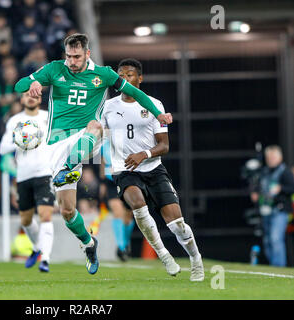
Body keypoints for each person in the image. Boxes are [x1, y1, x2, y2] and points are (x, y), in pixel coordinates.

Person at [14, 33, 173, 275]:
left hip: (87, 137)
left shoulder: (104, 74)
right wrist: (32, 82)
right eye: (68, 56)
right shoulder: (55, 69)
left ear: (87, 54)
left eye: (76, 57)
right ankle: (89, 243)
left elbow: (137, 93)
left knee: (96, 126)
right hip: (58, 144)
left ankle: (69, 167)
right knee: (67, 211)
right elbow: (19, 86)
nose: (72, 61)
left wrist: (157, 114)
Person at [100, 58, 204, 281]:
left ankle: (196, 259)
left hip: (153, 169)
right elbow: (99, 136)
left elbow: (164, 146)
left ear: (140, 78)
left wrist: (143, 155)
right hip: (124, 170)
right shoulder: (107, 106)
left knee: (177, 225)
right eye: (121, 75)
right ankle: (164, 256)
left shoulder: (154, 105)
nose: (124, 79)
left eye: (129, 75)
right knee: (137, 204)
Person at [0, 91, 55, 272]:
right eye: (27, 95)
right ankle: (37, 247)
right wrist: (22, 140)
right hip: (23, 175)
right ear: (22, 99)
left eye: (35, 95)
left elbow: (60, 141)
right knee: (26, 219)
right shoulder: (14, 121)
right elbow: (2, 148)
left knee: (45, 215)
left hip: (45, 172)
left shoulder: (49, 117)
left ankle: (45, 259)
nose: (31, 98)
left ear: (40, 99)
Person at [250, 145, 294, 267]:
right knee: (268, 240)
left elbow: (291, 188)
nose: (271, 159)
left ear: (279, 157)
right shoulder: (264, 172)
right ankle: (273, 266)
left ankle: (279, 266)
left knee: (276, 238)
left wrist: (281, 189)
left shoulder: (285, 172)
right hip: (266, 211)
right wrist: (255, 194)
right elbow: (258, 186)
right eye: (269, 157)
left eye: (273, 157)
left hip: (279, 210)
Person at [100, 139, 134, 262]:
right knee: (117, 211)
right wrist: (102, 183)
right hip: (111, 182)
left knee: (128, 216)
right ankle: (121, 248)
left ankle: (125, 243)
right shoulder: (104, 144)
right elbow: (102, 164)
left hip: (126, 179)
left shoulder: (127, 140)